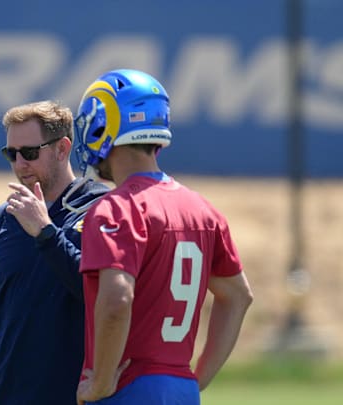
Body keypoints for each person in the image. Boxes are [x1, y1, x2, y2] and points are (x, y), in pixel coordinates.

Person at [72, 69, 254, 405]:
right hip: (181, 389)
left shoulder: (117, 208)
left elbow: (117, 301)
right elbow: (238, 295)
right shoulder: (202, 209)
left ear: (104, 124)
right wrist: (196, 378)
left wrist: (99, 383)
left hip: (127, 387)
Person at [0, 100, 109, 404]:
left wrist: (46, 232)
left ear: (62, 149)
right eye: (11, 153)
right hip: (5, 393)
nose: (19, 163)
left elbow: (98, 292)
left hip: (74, 394)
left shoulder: (101, 210)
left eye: (30, 153)